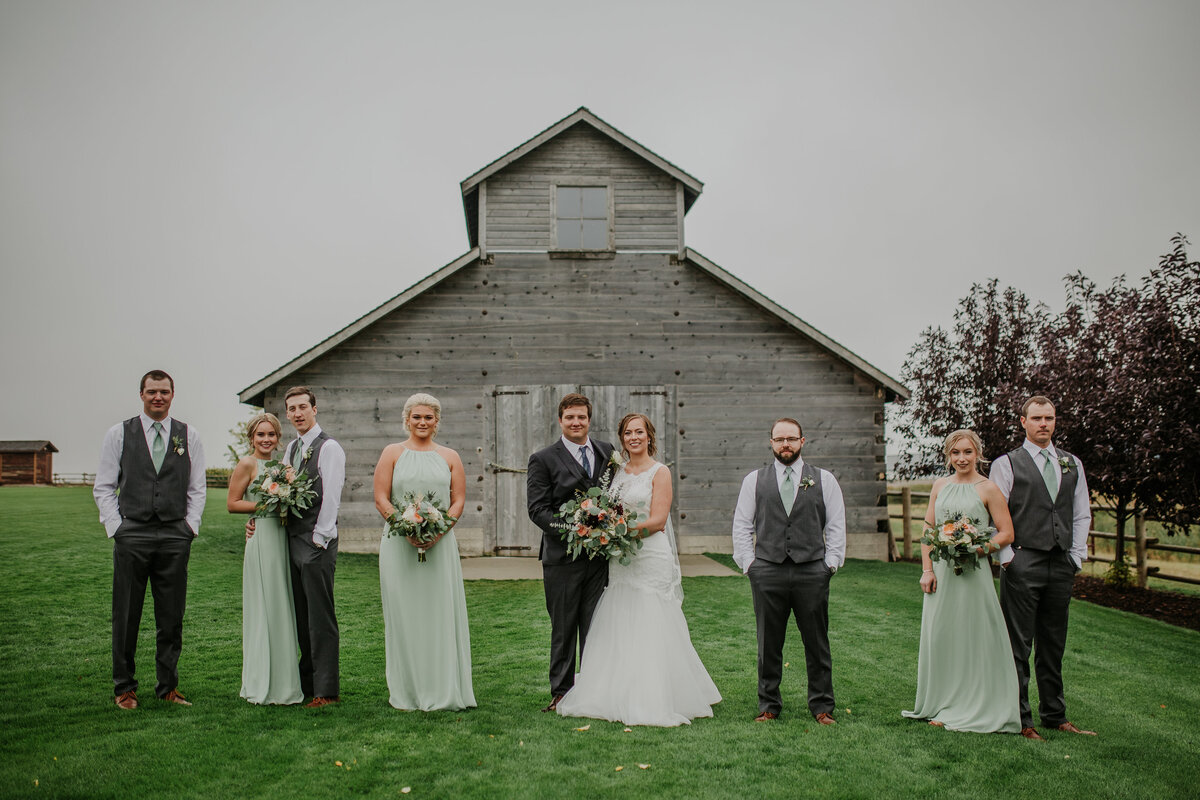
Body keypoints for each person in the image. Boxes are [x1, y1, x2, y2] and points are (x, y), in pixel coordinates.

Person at [556, 413, 720, 726]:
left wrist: (615, 531)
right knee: (621, 617)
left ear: (649, 436)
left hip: (649, 555)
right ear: (622, 438)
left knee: (651, 620)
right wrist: (600, 527)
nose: (634, 437)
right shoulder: (616, 471)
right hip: (621, 558)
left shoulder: (661, 472)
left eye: (639, 432)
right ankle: (615, 691)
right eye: (628, 433)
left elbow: (658, 522)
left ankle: (659, 694)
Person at [94, 370, 206, 709]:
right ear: (141, 394)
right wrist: (117, 528)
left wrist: (190, 528)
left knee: (171, 617)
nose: (158, 397)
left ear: (173, 395)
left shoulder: (189, 435)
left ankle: (167, 687)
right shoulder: (119, 433)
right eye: (152, 391)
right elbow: (103, 486)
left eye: (164, 392)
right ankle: (124, 688)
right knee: (126, 614)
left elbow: (196, 488)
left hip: (174, 535)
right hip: (133, 534)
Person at [990, 396, 1095, 740]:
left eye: (1049, 418)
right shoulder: (1007, 464)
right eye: (1036, 418)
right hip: (1023, 560)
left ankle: (1055, 713)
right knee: (1018, 645)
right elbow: (995, 514)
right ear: (1023, 421)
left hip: (1061, 562)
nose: (1043, 424)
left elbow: (1081, 513)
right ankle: (1022, 719)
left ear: (1055, 421)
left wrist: (1075, 556)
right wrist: (1007, 559)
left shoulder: (1071, 463)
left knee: (1053, 643)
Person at [901, 430, 1020, 733]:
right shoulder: (940, 485)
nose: (962, 459)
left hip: (974, 574)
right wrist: (926, 570)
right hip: (942, 575)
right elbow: (929, 528)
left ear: (978, 453)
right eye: (956, 453)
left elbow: (1006, 533)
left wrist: (978, 549)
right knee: (943, 635)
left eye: (968, 452)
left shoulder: (989, 488)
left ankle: (973, 704)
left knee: (973, 637)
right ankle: (944, 702)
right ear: (948, 456)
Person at [731, 418, 845, 724]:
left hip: (812, 570)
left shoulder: (824, 479)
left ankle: (822, 707)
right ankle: (769, 705)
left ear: (802, 441)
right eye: (779, 439)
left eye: (791, 439)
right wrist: (749, 563)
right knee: (768, 643)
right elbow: (742, 524)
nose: (785, 444)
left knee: (817, 642)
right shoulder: (754, 480)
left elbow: (835, 525)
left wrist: (830, 564)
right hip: (768, 569)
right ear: (770, 443)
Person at [372, 393, 474, 711]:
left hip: (440, 545)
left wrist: (439, 530)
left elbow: (457, 500)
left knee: (438, 614)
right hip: (397, 545)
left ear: (436, 421)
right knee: (404, 616)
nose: (422, 422)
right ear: (407, 419)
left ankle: (443, 688)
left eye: (428, 417)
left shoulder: (450, 456)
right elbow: (381, 497)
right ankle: (408, 691)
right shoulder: (392, 453)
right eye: (416, 417)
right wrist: (404, 528)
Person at [248, 385, 345, 707]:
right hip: (289, 540)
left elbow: (331, 495)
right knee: (299, 616)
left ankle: (326, 691)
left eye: (303, 407)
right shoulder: (291, 448)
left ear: (314, 409)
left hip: (316, 541)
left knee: (320, 618)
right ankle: (305, 684)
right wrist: (258, 519)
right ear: (287, 414)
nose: (298, 413)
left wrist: (321, 536)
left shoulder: (329, 448)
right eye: (292, 409)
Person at [526, 393, 614, 712]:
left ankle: (593, 688)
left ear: (589, 419)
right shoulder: (543, 458)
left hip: (600, 559)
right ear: (560, 421)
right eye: (570, 418)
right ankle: (562, 691)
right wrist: (574, 529)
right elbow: (537, 510)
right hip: (561, 559)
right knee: (564, 627)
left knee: (596, 626)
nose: (576, 422)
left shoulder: (607, 452)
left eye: (582, 417)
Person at [227, 412, 303, 705]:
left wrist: (284, 498)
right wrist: (266, 504)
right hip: (261, 541)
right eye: (261, 435)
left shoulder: (285, 465)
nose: (266, 440)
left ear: (277, 437)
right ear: (252, 438)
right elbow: (232, 503)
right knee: (264, 607)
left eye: (271, 434)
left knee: (283, 607)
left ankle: (285, 684)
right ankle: (261, 682)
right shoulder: (247, 464)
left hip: (283, 539)